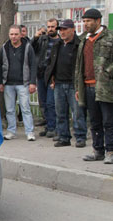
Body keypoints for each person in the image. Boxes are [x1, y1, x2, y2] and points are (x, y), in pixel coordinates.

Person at [74, 9, 113, 163]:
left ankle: (111, 151)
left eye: (89, 21)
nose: (86, 24)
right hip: (88, 87)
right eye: (84, 21)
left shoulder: (109, 37)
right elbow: (79, 65)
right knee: (95, 121)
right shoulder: (84, 40)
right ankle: (98, 150)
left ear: (98, 21)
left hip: (106, 87)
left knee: (109, 121)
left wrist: (107, 72)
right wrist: (78, 87)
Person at [45, 19, 87, 148]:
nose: (62, 32)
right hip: (58, 83)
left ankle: (80, 137)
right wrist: (52, 77)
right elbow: (52, 63)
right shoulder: (57, 45)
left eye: (65, 29)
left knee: (77, 113)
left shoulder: (79, 45)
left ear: (73, 30)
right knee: (60, 112)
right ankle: (64, 137)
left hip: (73, 84)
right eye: (60, 30)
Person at [0, 25, 37, 141]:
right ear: (9, 35)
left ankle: (29, 132)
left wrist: (32, 82)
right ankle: (11, 131)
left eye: (16, 34)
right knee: (10, 109)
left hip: (23, 83)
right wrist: (1, 82)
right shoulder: (4, 47)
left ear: (21, 34)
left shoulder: (27, 47)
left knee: (25, 108)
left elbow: (33, 65)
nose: (14, 37)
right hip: (8, 83)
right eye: (12, 34)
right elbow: (0, 65)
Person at [31, 18, 60, 139]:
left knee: (50, 102)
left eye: (53, 26)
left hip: (52, 76)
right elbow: (30, 48)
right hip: (41, 74)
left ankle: (53, 127)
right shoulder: (43, 39)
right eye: (49, 27)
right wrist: (36, 37)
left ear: (57, 27)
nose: (50, 29)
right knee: (42, 102)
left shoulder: (59, 41)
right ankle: (48, 126)